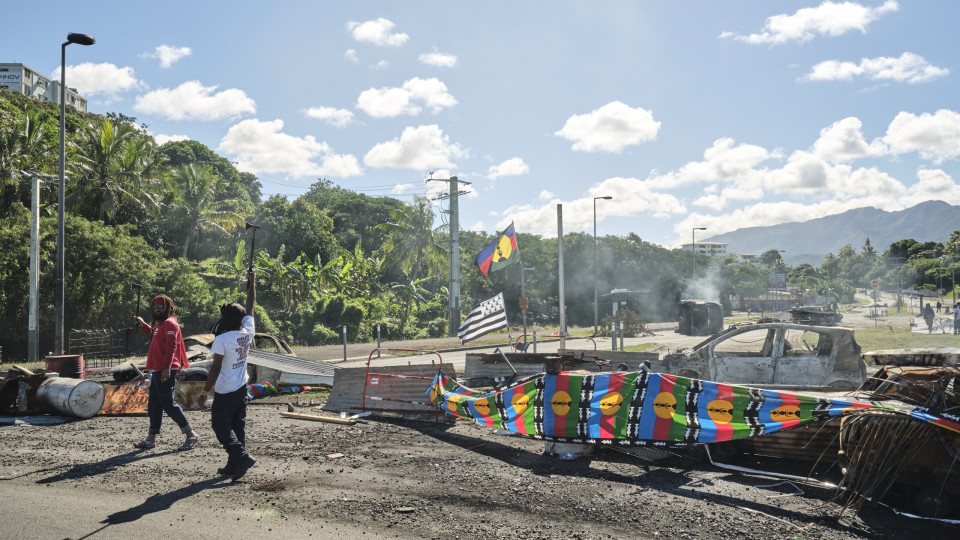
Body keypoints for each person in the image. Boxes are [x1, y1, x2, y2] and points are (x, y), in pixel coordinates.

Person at [199, 270, 256, 481]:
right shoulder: (247, 332)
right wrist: (253, 283)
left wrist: (205, 393)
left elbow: (214, 369)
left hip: (225, 390)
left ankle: (241, 456)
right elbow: (250, 307)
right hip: (241, 388)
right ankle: (234, 465)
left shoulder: (222, 340)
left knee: (220, 425)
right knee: (237, 425)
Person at [133, 294, 200, 450]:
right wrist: (143, 325)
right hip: (158, 369)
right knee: (154, 405)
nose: (157, 309)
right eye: (155, 307)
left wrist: (166, 369)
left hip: (165, 369)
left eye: (160, 307)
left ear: (168, 308)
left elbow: (171, 348)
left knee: (168, 404)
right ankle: (150, 439)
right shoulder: (160, 325)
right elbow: (154, 336)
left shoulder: (170, 324)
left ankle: (191, 435)